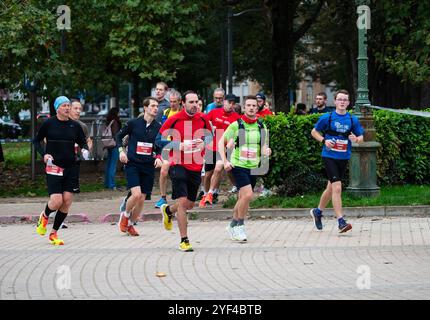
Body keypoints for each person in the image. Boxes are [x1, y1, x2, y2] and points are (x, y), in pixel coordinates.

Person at [156, 90, 213, 252]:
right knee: (182, 202)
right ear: (183, 104)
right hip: (178, 164)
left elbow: (209, 136)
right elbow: (159, 139)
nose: (195, 105)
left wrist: (204, 144)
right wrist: (178, 145)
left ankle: (167, 210)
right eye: (191, 102)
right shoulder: (174, 119)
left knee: (189, 204)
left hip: (195, 165)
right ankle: (184, 240)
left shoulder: (203, 118)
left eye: (197, 102)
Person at [33, 96, 88, 245]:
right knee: (56, 201)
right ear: (57, 108)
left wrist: (85, 150)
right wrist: (44, 155)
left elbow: (82, 142)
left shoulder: (75, 126)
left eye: (68, 105)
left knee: (67, 201)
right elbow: (36, 141)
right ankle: (44, 216)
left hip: (71, 167)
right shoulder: (49, 123)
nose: (67, 108)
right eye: (64, 106)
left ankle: (54, 233)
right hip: (54, 166)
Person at [310, 89, 364, 233]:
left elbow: (361, 137)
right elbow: (314, 132)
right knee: (337, 187)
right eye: (339, 99)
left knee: (331, 188)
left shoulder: (353, 119)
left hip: (343, 157)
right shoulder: (327, 117)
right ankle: (341, 221)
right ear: (334, 102)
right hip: (329, 156)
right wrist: (324, 140)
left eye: (345, 100)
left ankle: (318, 212)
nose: (342, 102)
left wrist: (356, 139)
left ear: (348, 103)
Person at [219, 95, 271, 242]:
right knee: (248, 195)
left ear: (257, 107)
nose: (251, 108)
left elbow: (264, 146)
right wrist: (224, 161)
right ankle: (240, 226)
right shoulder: (236, 125)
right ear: (244, 107)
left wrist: (267, 150)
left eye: (254, 105)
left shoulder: (262, 126)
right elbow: (220, 143)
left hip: (253, 166)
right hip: (238, 164)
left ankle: (232, 225)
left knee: (243, 198)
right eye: (248, 105)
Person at [116, 97, 163, 236]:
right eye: (153, 106)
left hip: (148, 165)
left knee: (142, 199)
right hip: (133, 164)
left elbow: (160, 146)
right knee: (136, 195)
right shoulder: (133, 123)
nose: (156, 108)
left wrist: (159, 157)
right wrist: (121, 152)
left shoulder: (158, 127)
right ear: (145, 108)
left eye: (157, 106)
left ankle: (130, 224)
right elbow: (118, 137)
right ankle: (125, 216)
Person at [199, 93, 240, 208]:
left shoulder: (237, 118)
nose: (231, 105)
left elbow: (239, 134)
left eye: (233, 103)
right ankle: (206, 194)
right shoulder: (214, 112)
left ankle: (211, 193)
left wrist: (233, 141)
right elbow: (203, 125)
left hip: (224, 149)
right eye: (229, 102)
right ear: (224, 102)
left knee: (218, 169)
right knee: (207, 175)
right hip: (211, 147)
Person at [155, 90, 182, 208]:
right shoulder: (166, 112)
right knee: (163, 171)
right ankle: (162, 198)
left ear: (180, 102)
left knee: (178, 173)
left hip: (180, 147)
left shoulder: (183, 113)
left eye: (175, 102)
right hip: (168, 146)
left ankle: (180, 196)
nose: (172, 104)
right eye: (170, 101)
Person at [104, 107, 122, 190]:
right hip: (114, 145)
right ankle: (112, 184)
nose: (119, 114)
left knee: (109, 164)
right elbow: (116, 134)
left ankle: (107, 183)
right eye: (118, 112)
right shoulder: (115, 122)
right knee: (113, 165)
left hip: (109, 145)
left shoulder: (109, 121)